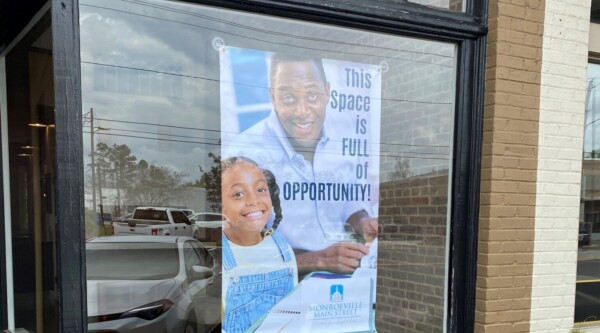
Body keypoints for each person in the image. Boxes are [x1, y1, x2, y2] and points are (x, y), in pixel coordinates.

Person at [223, 52, 378, 276]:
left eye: (312, 96)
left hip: (348, 288)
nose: (302, 111)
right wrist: (317, 259)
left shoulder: (344, 136)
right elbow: (241, 250)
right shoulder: (244, 155)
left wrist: (363, 223)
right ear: (273, 97)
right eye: (288, 98)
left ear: (327, 92)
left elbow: (348, 202)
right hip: (279, 291)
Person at [220, 156, 298, 333]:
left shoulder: (281, 248)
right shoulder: (219, 254)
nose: (254, 200)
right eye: (238, 194)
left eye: (261, 189)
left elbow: (293, 312)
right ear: (220, 206)